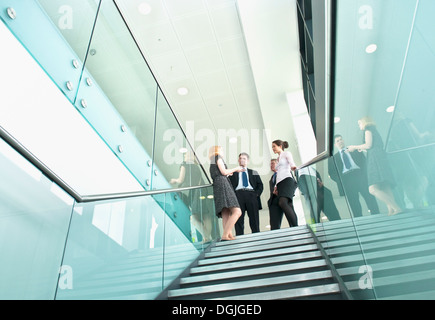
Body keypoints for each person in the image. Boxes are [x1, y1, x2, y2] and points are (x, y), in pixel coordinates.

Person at [348, 117, 402, 216]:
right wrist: (363, 149)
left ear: (364, 123)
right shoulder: (374, 130)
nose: (359, 126)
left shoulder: (367, 130)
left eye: (359, 123)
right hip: (380, 158)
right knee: (385, 185)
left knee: (372, 189)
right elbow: (372, 146)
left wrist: (354, 147)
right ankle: (391, 209)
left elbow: (368, 145)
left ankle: (396, 207)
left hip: (375, 159)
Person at [328, 134, 380, 217]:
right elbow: (331, 173)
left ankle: (377, 215)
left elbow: (365, 162)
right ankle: (359, 221)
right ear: (335, 144)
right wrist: (341, 181)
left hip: (360, 176)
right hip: (347, 180)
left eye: (341, 139)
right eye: (337, 141)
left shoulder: (354, 150)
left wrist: (365, 175)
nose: (340, 141)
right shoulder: (332, 159)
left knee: (369, 197)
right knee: (354, 203)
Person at [209, 146, 243, 241]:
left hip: (218, 185)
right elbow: (223, 172)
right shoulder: (218, 157)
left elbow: (220, 173)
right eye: (221, 149)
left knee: (226, 212)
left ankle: (229, 235)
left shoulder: (212, 160)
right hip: (223, 184)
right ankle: (225, 235)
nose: (222, 151)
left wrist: (228, 173)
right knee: (237, 211)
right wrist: (236, 169)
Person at [229, 153, 263, 235]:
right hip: (238, 195)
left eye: (244, 158)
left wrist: (256, 195)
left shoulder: (253, 172)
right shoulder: (233, 173)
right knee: (238, 218)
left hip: (251, 195)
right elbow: (229, 185)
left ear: (248, 161)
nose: (242, 160)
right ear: (238, 160)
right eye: (240, 158)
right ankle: (240, 237)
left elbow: (260, 185)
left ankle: (257, 236)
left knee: (254, 218)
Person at [271, 140, 299, 227]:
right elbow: (278, 172)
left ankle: (295, 226)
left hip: (287, 179)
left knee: (282, 202)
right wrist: (275, 186)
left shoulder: (286, 153)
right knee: (288, 204)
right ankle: (293, 226)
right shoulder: (278, 158)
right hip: (280, 183)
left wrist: (293, 167)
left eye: (274, 146)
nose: (273, 148)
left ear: (280, 146)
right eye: (272, 147)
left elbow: (291, 162)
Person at [268, 159, 287, 230]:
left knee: (290, 216)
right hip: (274, 201)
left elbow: (293, 183)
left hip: (284, 198)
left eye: (273, 163)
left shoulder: (285, 172)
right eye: (270, 164)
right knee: (274, 224)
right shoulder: (272, 178)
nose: (271, 165)